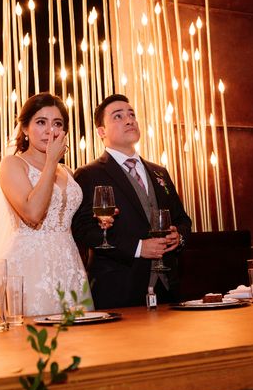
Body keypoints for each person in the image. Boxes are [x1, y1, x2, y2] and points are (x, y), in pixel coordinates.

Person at [0, 93, 100, 320]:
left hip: (69, 263)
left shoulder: (69, 172)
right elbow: (33, 214)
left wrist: (100, 221)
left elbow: (74, 222)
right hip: (29, 265)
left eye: (57, 124)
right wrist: (51, 162)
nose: (49, 130)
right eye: (41, 122)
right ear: (24, 128)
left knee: (75, 343)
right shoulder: (13, 164)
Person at [72, 94, 192, 309]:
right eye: (118, 116)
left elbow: (182, 218)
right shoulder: (88, 174)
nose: (129, 120)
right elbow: (83, 229)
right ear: (101, 131)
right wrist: (138, 248)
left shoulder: (159, 172)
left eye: (131, 115)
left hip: (168, 287)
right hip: (119, 287)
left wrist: (178, 236)